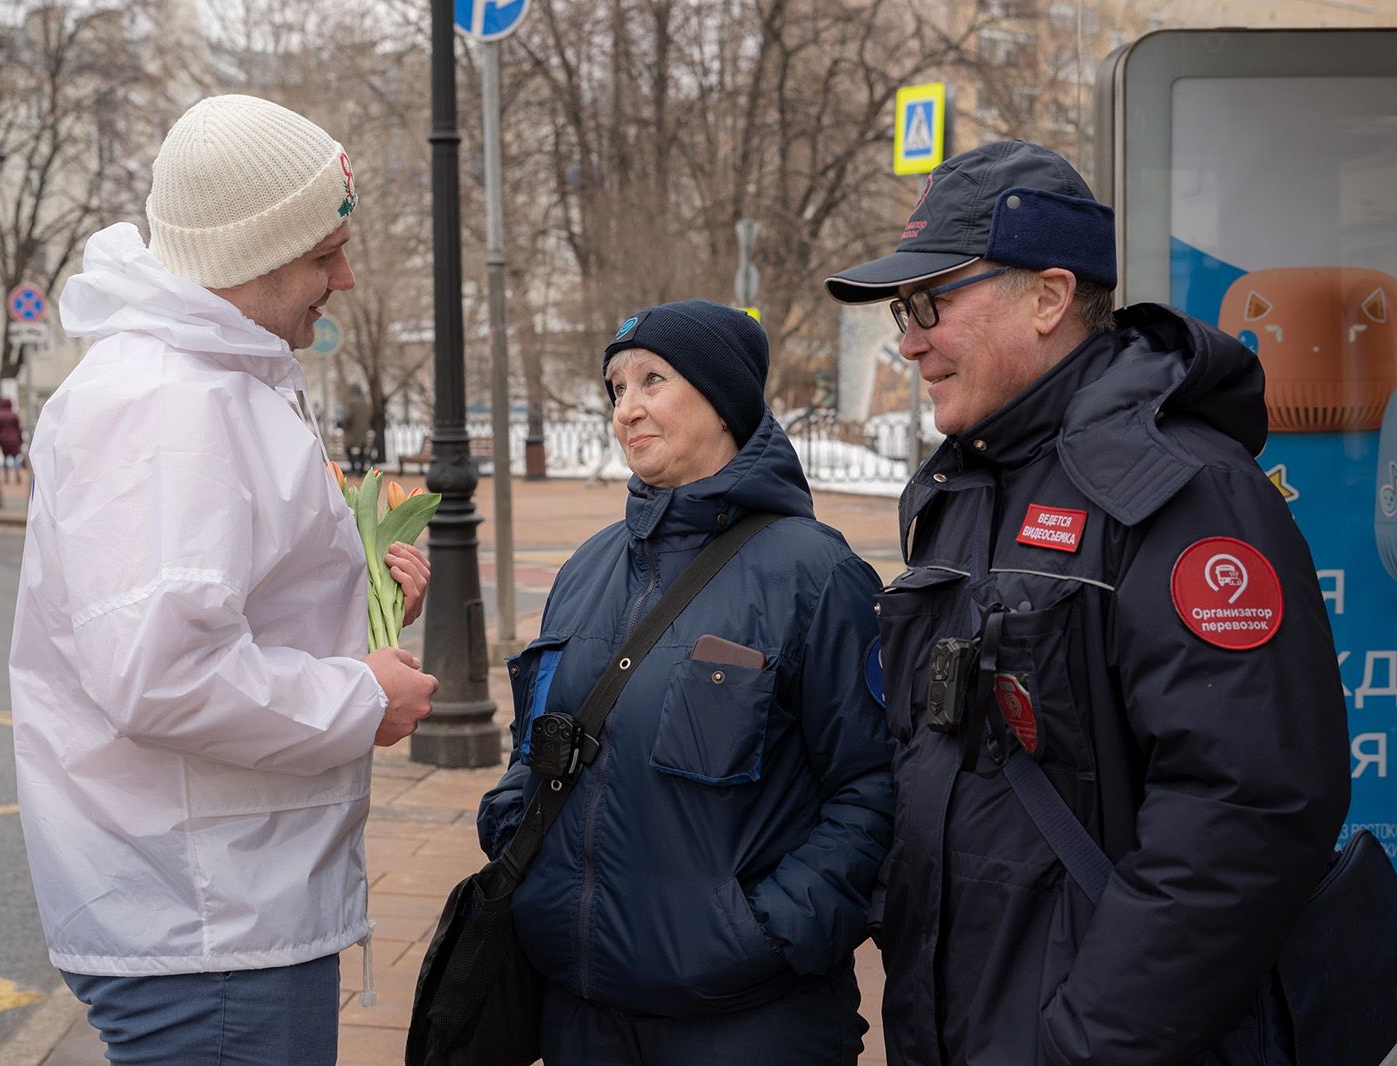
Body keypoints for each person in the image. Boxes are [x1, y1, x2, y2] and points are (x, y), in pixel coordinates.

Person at [823, 140, 1350, 1064]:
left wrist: (1085, 1047)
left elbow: (1247, 817)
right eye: (904, 312)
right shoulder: (961, 489)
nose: (907, 340)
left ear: (1050, 296)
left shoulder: (1185, 492)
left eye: (930, 303)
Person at [8, 94, 438, 1065]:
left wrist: (358, 598)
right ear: (253, 253)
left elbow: (214, 601)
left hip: (225, 906)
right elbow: (162, 671)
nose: (346, 274)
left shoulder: (209, 376)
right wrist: (358, 695)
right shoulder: (170, 402)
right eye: (324, 251)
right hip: (209, 922)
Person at [476, 300, 896, 1064]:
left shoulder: (816, 573)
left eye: (652, 381)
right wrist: (515, 835)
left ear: (723, 398)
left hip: (747, 1024)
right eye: (615, 388)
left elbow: (873, 787)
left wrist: (765, 933)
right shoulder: (586, 569)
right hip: (582, 1012)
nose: (625, 409)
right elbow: (532, 745)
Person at [342, 380, 371, 475]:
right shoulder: (364, 403)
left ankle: (353, 467)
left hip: (352, 431)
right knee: (362, 449)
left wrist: (344, 425)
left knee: (348, 448)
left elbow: (348, 417)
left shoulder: (351, 402)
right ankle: (361, 469)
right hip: (363, 431)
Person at [0, 396, 23, 482]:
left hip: (3, 440)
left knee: (5, 458)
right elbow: (18, 429)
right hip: (14, 439)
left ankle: (6, 476)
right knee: (15, 458)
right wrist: (20, 440)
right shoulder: (14, 415)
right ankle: (17, 472)